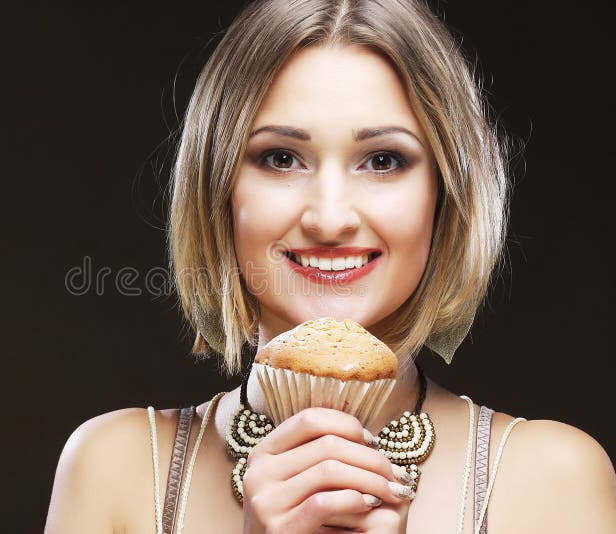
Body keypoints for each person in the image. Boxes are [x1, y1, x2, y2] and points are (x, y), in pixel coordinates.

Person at [44, 1, 616, 532]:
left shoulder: (552, 481)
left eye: (384, 160)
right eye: (281, 158)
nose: (330, 218)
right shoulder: (115, 469)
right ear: (216, 189)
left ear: (447, 194)